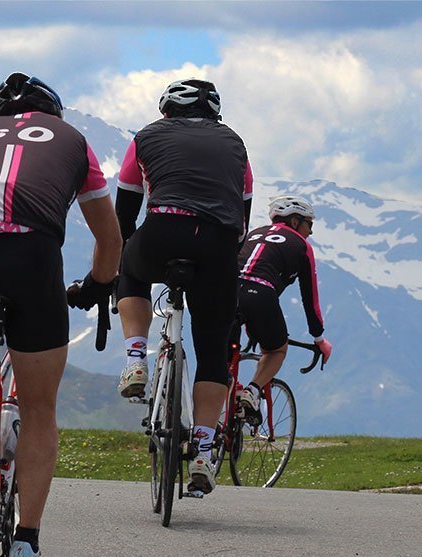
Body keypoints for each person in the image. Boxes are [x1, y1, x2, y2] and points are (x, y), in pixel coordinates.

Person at [0, 72, 122, 557]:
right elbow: (110, 238)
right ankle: (25, 545)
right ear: (52, 113)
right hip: (32, 258)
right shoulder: (74, 143)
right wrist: (98, 286)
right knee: (39, 409)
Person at [113, 78, 253, 495]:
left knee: (130, 266)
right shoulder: (236, 144)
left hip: (162, 232)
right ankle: (206, 451)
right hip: (218, 243)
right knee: (212, 351)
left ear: (166, 110)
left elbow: (123, 216)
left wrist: (121, 260)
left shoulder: (145, 138)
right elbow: (242, 222)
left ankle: (136, 358)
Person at [233, 195, 332, 424]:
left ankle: (211, 431)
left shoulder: (254, 233)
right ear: (295, 221)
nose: (311, 231)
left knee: (220, 362)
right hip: (261, 295)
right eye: (310, 224)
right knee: (276, 350)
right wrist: (319, 338)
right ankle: (253, 390)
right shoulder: (301, 245)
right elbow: (311, 299)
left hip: (226, 291)